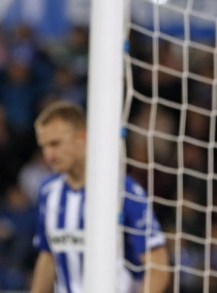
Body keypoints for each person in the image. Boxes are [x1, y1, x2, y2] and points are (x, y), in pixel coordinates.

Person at [30, 101, 171, 293]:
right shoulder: (48, 191)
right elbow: (48, 256)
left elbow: (157, 264)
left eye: (55, 144)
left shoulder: (123, 190)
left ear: (82, 138)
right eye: (44, 147)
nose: (49, 155)